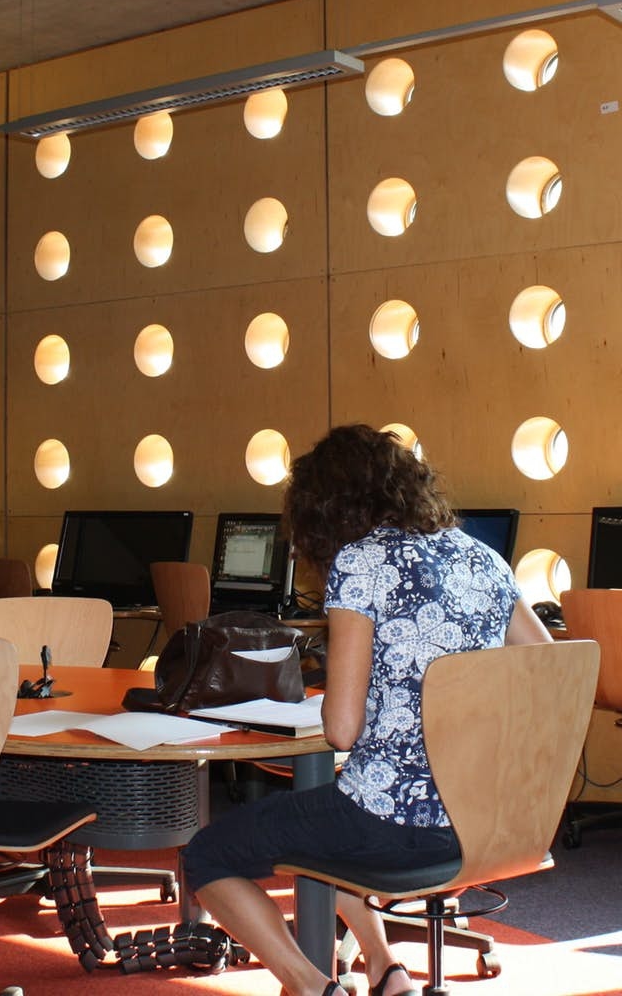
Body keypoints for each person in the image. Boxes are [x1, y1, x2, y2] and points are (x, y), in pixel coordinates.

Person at [185, 424, 552, 996]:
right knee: (331, 817)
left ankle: (311, 987)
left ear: (324, 509)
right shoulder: (481, 556)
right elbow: (547, 672)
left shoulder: (362, 562)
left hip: (398, 826)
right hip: (492, 817)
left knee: (209, 853)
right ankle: (385, 968)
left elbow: (341, 728)